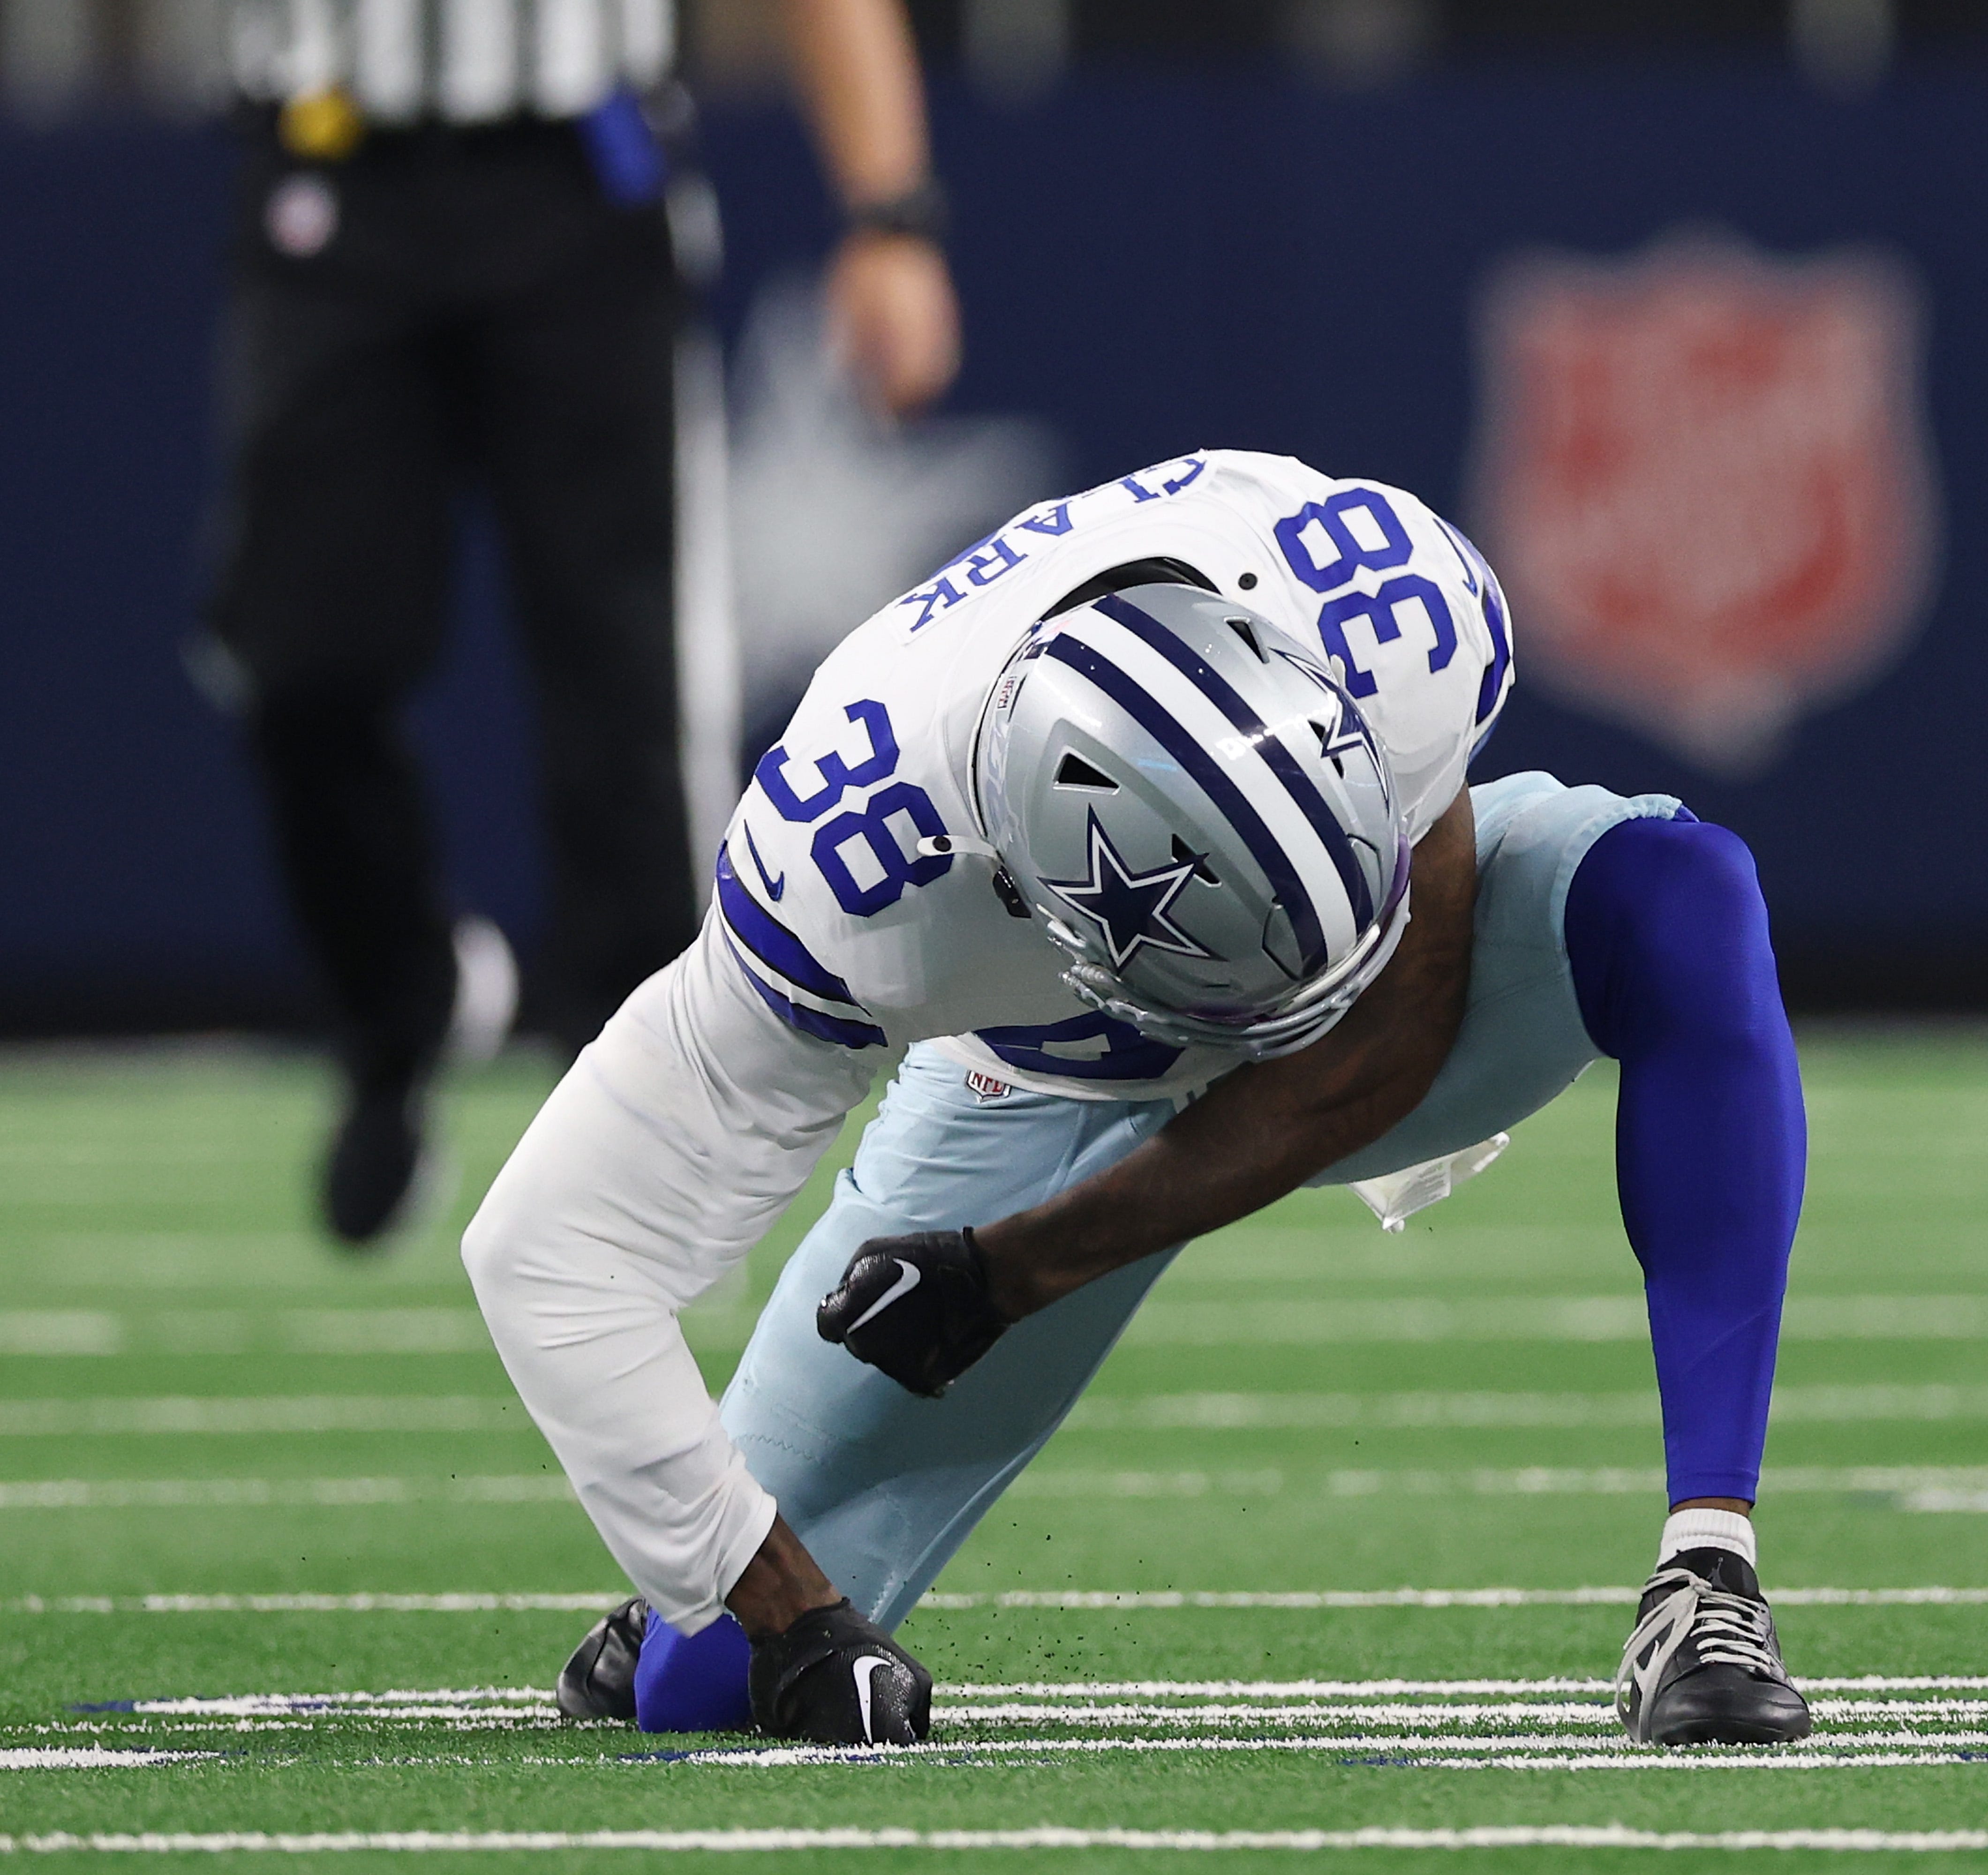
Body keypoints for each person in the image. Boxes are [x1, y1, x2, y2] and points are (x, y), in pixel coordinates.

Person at [462, 450, 1813, 1749]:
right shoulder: (848, 864)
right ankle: (687, 1600)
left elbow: (1366, 1057)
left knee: (1683, 899)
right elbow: (548, 1253)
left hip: (1401, 1003)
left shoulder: (1372, 603)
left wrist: (1009, 1274)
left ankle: (1709, 1579)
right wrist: (790, 1610)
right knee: (708, 1687)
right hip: (1030, 1083)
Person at [203, 0, 962, 1245]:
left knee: (623, 683)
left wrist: (892, 216)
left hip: (579, 177)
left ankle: (640, 1120)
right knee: (297, 662)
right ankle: (403, 998)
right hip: (327, 171)